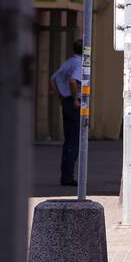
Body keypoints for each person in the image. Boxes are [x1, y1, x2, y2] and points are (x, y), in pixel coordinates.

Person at [49, 40, 83, 186]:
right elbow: (74, 81)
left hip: (66, 101)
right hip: (73, 103)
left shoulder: (68, 62)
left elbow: (53, 79)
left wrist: (60, 96)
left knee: (68, 140)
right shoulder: (79, 64)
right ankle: (68, 177)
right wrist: (75, 99)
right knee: (74, 141)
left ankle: (66, 175)